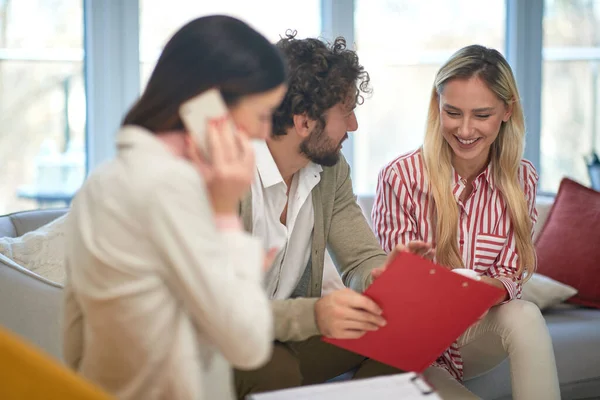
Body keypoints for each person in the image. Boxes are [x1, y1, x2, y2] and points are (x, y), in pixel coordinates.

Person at [62, 15, 287, 400]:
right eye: (263, 115)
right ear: (211, 103)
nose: (264, 133)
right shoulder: (171, 187)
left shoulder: (102, 181)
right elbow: (248, 345)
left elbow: (75, 339)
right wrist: (224, 215)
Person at [234, 32, 433, 399]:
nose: (354, 126)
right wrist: (315, 315)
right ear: (304, 122)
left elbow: (360, 258)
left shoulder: (330, 170)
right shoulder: (228, 177)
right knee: (274, 368)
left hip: (289, 333)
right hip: (222, 345)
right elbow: (221, 311)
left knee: (406, 328)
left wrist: (384, 276)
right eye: (346, 112)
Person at [372, 44, 560, 399]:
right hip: (414, 346)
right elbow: (390, 290)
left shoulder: (523, 179)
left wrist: (482, 292)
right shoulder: (401, 177)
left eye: (482, 114)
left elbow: (511, 274)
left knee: (525, 314)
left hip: (475, 337)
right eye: (453, 112)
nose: (465, 129)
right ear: (437, 107)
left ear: (507, 110)